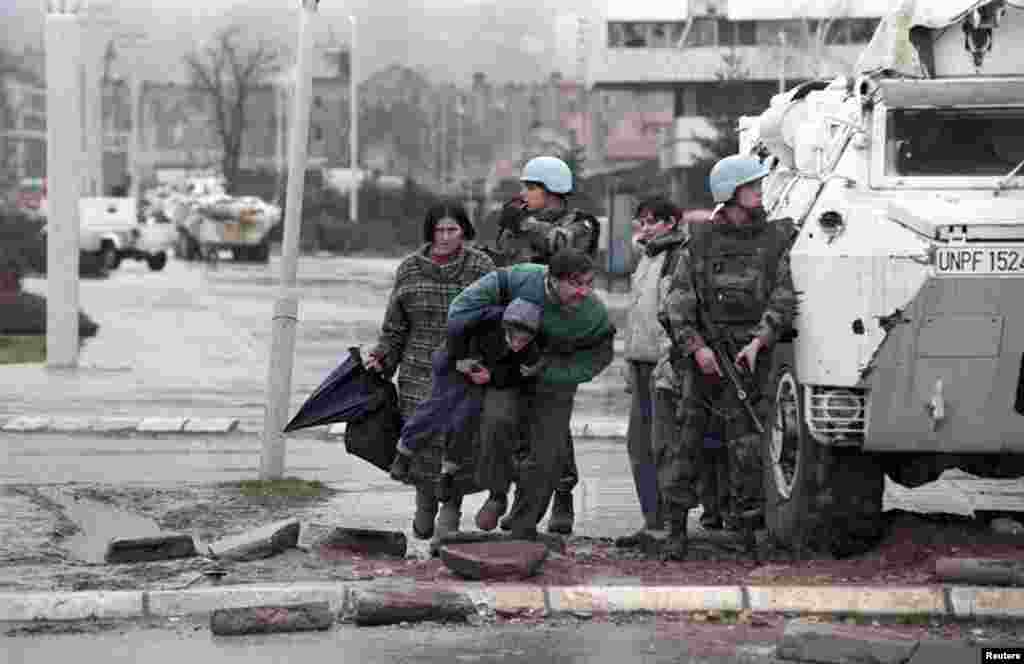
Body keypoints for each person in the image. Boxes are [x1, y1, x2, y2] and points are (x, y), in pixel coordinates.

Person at [655, 154, 799, 560]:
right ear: (730, 194)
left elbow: (783, 296)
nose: (759, 190)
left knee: (748, 445)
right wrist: (698, 348)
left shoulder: (774, 239)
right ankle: (676, 531)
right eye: (751, 185)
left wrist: (758, 342)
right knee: (686, 443)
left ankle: (748, 533)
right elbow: (677, 305)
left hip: (749, 359)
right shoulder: (698, 242)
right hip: (702, 359)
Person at [448, 248, 615, 539]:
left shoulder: (593, 313)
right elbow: (460, 310)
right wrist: (500, 325)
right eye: (576, 283)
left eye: (589, 283)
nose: (584, 291)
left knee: (546, 453)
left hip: (554, 379)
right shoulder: (518, 280)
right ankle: (497, 493)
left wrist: (553, 371)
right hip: (508, 373)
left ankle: (524, 522)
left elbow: (600, 356)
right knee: (496, 423)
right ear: (551, 280)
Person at [365, 201, 495, 541]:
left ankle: (450, 511)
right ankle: (424, 503)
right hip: (418, 370)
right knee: (422, 441)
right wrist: (381, 357)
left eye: (453, 229)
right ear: (429, 232)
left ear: (464, 231)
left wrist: (485, 361)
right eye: (440, 230)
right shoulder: (409, 269)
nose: (447, 237)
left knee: (459, 442)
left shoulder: (481, 267)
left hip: (465, 370)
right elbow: (395, 328)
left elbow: (496, 322)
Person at [487, 155, 601, 536]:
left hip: (559, 334)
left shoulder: (580, 225)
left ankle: (563, 497)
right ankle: (524, 502)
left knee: (554, 423)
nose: (523, 194)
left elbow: (562, 246)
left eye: (530, 188)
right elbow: (502, 267)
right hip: (519, 333)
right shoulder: (517, 225)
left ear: (551, 191)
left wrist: (522, 223)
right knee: (518, 422)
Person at [388, 298, 544, 511]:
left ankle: (448, 472)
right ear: (505, 326)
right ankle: (404, 452)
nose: (517, 345)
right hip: (456, 358)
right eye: (514, 338)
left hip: (482, 372)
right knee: (439, 405)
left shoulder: (530, 350)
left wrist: (491, 377)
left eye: (524, 341)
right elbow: (455, 328)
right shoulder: (488, 318)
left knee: (466, 415)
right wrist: (459, 359)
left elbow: (518, 376)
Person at [614, 197, 689, 549]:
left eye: (651, 222)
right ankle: (652, 522)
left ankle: (671, 528)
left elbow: (672, 317)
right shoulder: (646, 258)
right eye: (640, 222)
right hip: (641, 364)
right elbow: (636, 315)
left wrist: (668, 364)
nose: (644, 228)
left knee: (664, 446)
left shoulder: (678, 258)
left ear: (672, 222)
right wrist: (630, 363)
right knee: (638, 445)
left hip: (664, 366)